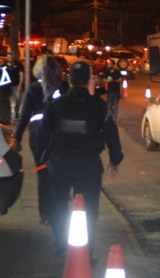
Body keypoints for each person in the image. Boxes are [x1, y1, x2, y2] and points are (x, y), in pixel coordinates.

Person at [38, 61, 122, 260]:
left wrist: (44, 158)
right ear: (88, 80)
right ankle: (86, 252)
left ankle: (61, 246)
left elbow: (42, 135)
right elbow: (111, 134)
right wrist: (115, 159)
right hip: (89, 166)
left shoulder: (55, 105)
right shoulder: (99, 107)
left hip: (60, 164)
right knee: (89, 211)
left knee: (59, 205)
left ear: (70, 80)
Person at [15, 55, 66, 224]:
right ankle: (59, 212)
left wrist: (18, 136)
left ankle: (45, 216)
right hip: (59, 134)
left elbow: (24, 115)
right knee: (59, 174)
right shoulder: (64, 87)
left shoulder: (33, 88)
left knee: (43, 175)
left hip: (37, 135)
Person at [0, 50, 24, 124]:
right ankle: (7, 117)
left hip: (15, 85)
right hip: (7, 87)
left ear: (14, 57)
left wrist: (20, 84)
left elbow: (21, 74)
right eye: (9, 57)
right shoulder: (5, 64)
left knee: (18, 99)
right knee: (6, 102)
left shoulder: (18, 64)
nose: (10, 59)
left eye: (11, 57)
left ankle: (16, 111)